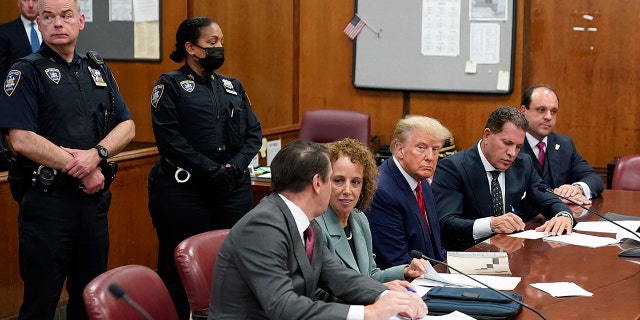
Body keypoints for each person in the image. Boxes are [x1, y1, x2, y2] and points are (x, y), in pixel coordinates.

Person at [0, 0, 135, 318]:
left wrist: (97, 155)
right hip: (48, 206)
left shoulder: (97, 69)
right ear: (40, 24)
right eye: (48, 17)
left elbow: (127, 125)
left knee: (90, 299)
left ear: (81, 21)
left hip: (93, 205)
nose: (57, 23)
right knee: (41, 303)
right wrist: (81, 168)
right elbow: (20, 139)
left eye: (66, 16)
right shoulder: (25, 70)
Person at [208, 140, 427, 320]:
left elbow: (340, 277)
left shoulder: (306, 224)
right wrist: (368, 313)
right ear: (317, 183)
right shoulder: (263, 227)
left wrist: (387, 294)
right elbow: (283, 306)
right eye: (334, 179)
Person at [148, 16, 262, 319]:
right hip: (184, 190)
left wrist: (233, 168)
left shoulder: (232, 86)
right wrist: (211, 170)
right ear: (190, 47)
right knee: (180, 264)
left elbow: (254, 134)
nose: (219, 48)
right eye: (212, 43)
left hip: (230, 187)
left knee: (233, 260)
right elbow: (170, 140)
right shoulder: (169, 84)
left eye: (221, 42)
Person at [431, 106, 573, 251]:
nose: (512, 153)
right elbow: (446, 224)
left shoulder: (523, 165)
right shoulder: (453, 168)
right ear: (487, 135)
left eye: (518, 147)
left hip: (511, 254)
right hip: (468, 256)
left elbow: (548, 198)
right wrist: (491, 224)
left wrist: (563, 215)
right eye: (507, 143)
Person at [314, 138, 427, 301]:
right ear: (323, 181)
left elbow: (370, 274)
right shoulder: (315, 226)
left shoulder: (359, 219)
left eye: (355, 182)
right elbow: (316, 294)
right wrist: (378, 291)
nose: (348, 190)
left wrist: (405, 271)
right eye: (338, 180)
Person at [365, 115, 450, 269]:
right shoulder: (382, 192)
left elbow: (435, 248)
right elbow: (394, 260)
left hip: (432, 274)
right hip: (405, 283)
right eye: (421, 148)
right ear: (400, 150)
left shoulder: (422, 182)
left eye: (435, 149)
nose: (430, 157)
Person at [519, 83, 603, 205]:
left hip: (562, 218)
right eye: (541, 110)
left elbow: (594, 179)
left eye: (553, 111)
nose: (548, 117)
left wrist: (575, 189)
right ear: (523, 111)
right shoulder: (510, 145)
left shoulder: (564, 145)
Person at [0, 0, 41, 171]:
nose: (31, 5)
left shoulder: (51, 31)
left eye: (35, 0)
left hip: (49, 100)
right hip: (19, 102)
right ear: (18, 3)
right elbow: (2, 75)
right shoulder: (5, 33)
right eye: (26, 0)